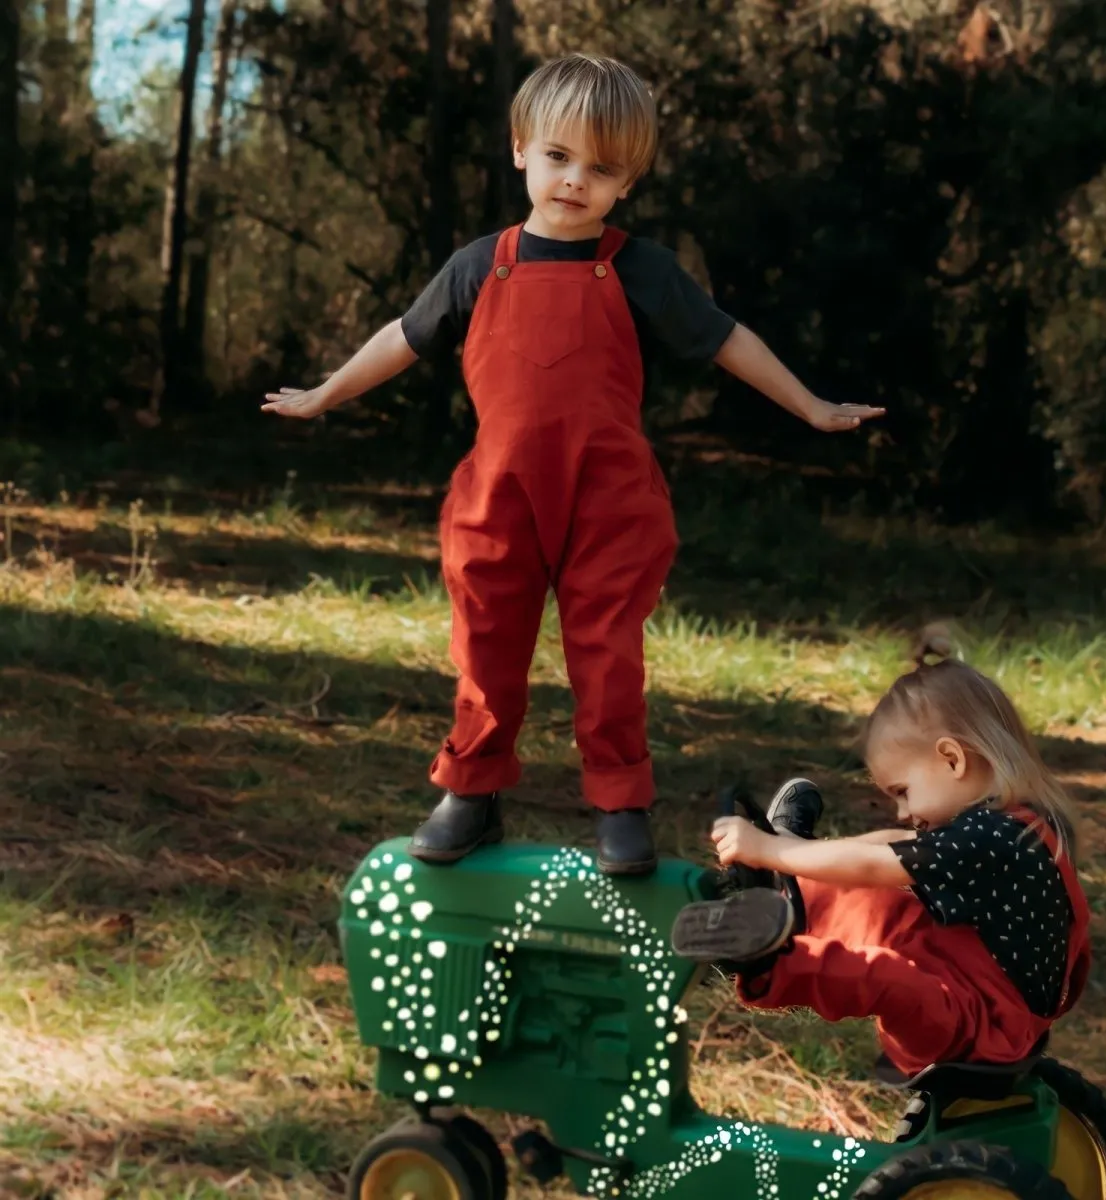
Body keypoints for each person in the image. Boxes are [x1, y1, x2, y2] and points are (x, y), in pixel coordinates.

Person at [262, 54, 884, 876]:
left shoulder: (639, 270)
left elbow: (727, 339)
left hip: (610, 500)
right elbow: (404, 337)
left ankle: (621, 803)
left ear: (627, 182)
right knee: (486, 646)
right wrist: (324, 393)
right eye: (558, 157)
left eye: (602, 168)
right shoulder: (480, 265)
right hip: (500, 495)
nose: (574, 181)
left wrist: (808, 404)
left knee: (607, 656)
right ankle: (472, 792)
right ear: (521, 149)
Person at [671, 637, 1092, 1075]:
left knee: (887, 974)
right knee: (888, 907)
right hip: (966, 973)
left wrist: (772, 849)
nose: (903, 811)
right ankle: (793, 896)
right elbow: (890, 844)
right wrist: (796, 854)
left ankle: (765, 962)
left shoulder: (992, 838)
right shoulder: (1011, 823)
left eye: (902, 792)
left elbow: (879, 863)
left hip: (981, 1025)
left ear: (952, 759)